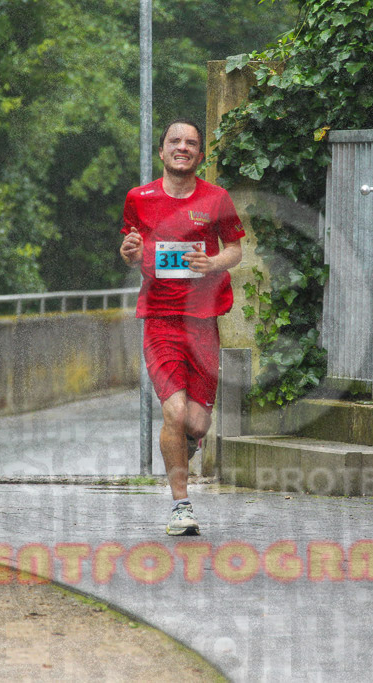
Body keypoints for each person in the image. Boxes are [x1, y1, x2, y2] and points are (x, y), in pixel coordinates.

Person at [119, 118, 244, 535]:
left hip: (203, 321)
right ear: (162, 151)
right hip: (159, 319)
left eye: (191, 143)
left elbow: (235, 250)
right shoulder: (139, 198)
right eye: (175, 141)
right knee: (173, 411)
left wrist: (212, 263)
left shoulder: (217, 199)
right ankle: (181, 505)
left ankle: (187, 442)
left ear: (200, 155)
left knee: (195, 423)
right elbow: (132, 251)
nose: (183, 147)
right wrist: (130, 252)